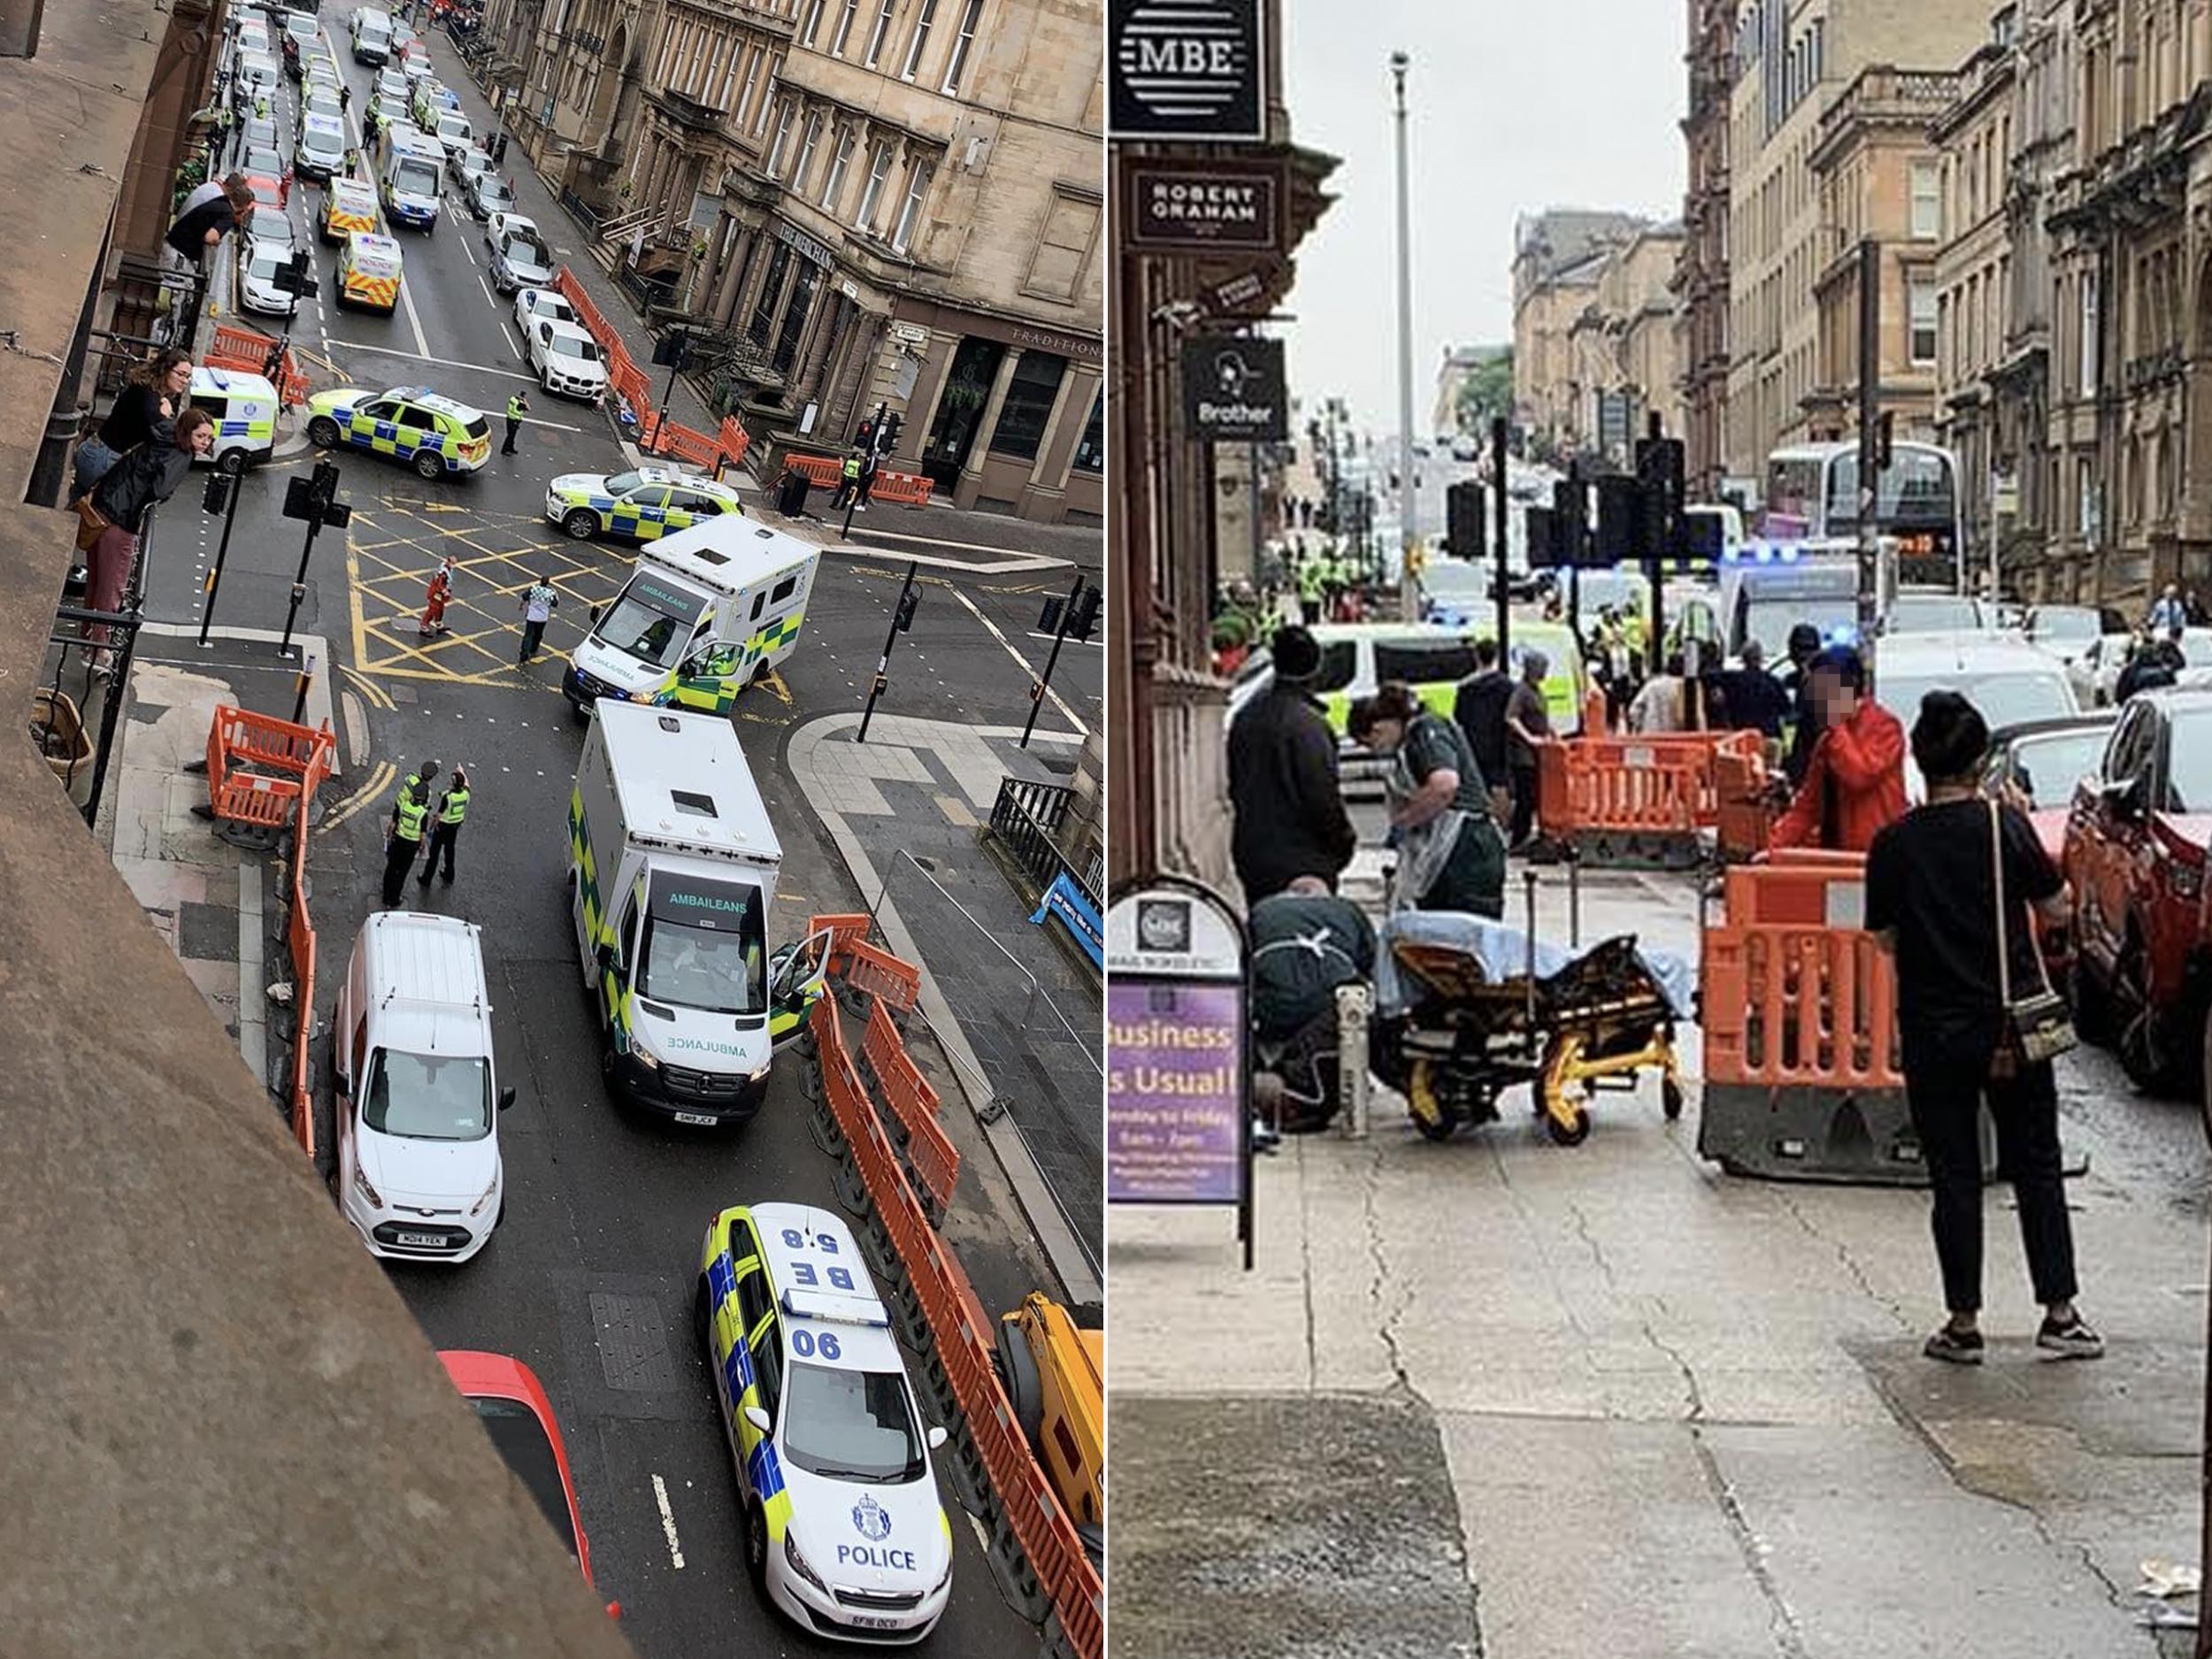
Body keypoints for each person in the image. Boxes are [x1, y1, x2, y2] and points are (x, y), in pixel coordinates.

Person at [1865, 690, 2101, 1365]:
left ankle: (1963, 1321)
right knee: (2036, 1163)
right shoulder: (2006, 827)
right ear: (1981, 759)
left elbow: (1883, 938)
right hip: (2011, 1029)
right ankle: (2059, 1311)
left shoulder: (1893, 843)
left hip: (1935, 1031)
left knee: (1954, 1173)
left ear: (1921, 761)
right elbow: (2057, 910)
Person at [1348, 683, 1508, 919]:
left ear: (1380, 727)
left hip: (1467, 847)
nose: (1375, 750)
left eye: (1371, 742)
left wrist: (1405, 821)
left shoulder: (1426, 731)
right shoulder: (1412, 741)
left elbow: (1444, 785)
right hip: (1453, 849)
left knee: (1464, 931)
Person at [1227, 625, 1358, 907]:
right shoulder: (1307, 725)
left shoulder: (1247, 717)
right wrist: (1343, 842)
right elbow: (1321, 796)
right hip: (1303, 860)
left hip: (1254, 854)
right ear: (1316, 668)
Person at [80, 408, 214, 674]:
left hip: (103, 506)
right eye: (201, 436)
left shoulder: (163, 433)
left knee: (96, 580)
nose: (205, 443)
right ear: (187, 433)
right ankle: (98, 651)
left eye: (209, 438)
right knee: (113, 587)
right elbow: (160, 490)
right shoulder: (181, 455)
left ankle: (87, 638)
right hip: (122, 519)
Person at [1770, 645, 1907, 853]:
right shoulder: (1829, 741)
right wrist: (1772, 849)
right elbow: (1807, 809)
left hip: (1880, 860)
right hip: (1840, 860)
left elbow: (1859, 775)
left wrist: (1835, 722)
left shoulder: (1885, 727)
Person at [74, 348, 192, 500]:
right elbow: (161, 433)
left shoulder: (149, 391)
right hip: (104, 459)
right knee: (92, 515)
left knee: (81, 509)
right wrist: (166, 415)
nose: (184, 381)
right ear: (165, 369)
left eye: (188, 376)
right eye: (181, 374)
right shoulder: (148, 396)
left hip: (99, 452)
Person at [1452, 637, 1514, 823]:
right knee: (1500, 786)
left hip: (1473, 741)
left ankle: (1483, 820)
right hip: (1498, 741)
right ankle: (1502, 826)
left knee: (1478, 784)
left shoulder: (1465, 687)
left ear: (1476, 657)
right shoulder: (1506, 685)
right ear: (1496, 656)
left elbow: (1459, 716)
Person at [1503, 649, 1552, 849]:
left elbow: (1541, 718)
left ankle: (1522, 835)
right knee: (1526, 796)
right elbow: (1511, 717)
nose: (1544, 672)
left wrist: (1550, 733)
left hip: (1537, 752)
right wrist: (1529, 738)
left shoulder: (1536, 691)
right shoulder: (1521, 691)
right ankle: (1517, 838)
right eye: (1542, 667)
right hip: (1524, 755)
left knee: (1532, 795)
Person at [165, 173, 254, 266]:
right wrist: (217, 241)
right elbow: (210, 237)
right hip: (180, 254)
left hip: (174, 243)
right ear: (243, 207)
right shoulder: (227, 215)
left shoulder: (220, 199)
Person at [1778, 622, 1826, 787]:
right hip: (1798, 760)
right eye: (1801, 650)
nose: (1803, 656)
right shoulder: (1788, 682)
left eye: (1808, 650)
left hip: (1819, 760)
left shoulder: (1828, 686)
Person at [418, 766, 470, 886]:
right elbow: (467, 785)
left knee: (434, 854)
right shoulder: (466, 795)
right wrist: (462, 773)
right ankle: (449, 875)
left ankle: (426, 879)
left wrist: (431, 827)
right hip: (455, 826)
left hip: (442, 827)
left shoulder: (448, 797)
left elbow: (438, 816)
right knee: (450, 851)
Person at [383, 780, 431, 906]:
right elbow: (423, 835)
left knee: (391, 868)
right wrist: (421, 847)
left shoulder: (403, 805)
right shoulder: (423, 813)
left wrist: (388, 838)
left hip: (398, 840)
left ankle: (385, 895)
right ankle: (394, 899)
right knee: (402, 872)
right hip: (411, 846)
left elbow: (392, 825)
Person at [1628, 652, 1688, 735]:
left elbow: (1634, 710)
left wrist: (1640, 726)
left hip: (1650, 735)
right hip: (1676, 736)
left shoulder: (1652, 685)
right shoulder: (1687, 688)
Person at [517, 574, 558, 664]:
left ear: (540, 581)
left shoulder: (533, 589)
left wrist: (521, 606)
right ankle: (534, 648)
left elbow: (524, 598)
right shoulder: (551, 592)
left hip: (531, 616)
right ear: (548, 583)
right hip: (542, 618)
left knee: (528, 635)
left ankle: (524, 654)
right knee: (538, 634)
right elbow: (555, 604)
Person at [419, 558, 454, 638]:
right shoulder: (443, 573)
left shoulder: (446, 568)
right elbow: (439, 585)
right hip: (436, 593)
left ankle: (439, 624)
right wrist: (445, 592)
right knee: (433, 609)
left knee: (440, 608)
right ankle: (424, 626)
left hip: (439, 594)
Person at [502, 389, 528, 456]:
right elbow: (528, 408)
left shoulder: (513, 399)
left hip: (510, 418)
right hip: (514, 420)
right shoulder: (520, 403)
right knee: (510, 436)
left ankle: (510, 448)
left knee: (512, 436)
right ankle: (504, 450)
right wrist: (525, 400)